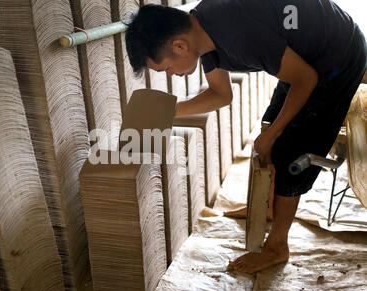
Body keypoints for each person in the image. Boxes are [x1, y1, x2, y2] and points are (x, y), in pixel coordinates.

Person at [125, 0, 367, 273]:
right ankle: (271, 206)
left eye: (165, 69)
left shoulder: (237, 34)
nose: (171, 75)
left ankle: (277, 246)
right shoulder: (201, 31)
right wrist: (166, 113)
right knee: (268, 127)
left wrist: (275, 135)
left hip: (338, 58)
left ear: (179, 46)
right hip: (310, 57)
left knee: (290, 150)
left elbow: (305, 80)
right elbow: (221, 94)